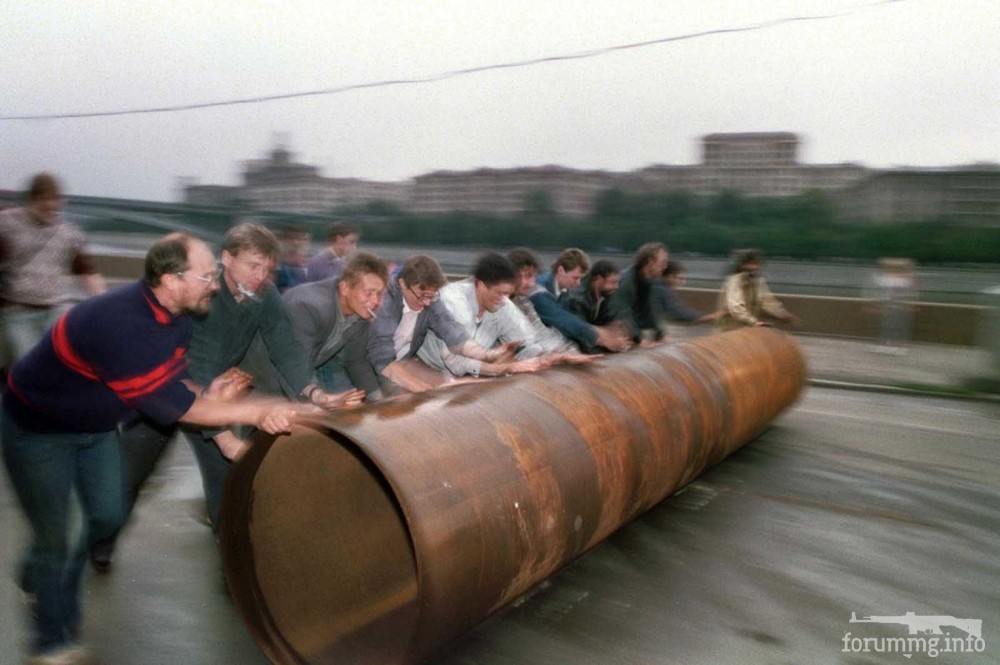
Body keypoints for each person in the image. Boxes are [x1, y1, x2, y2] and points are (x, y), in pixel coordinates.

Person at [1, 233, 301, 664]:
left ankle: (37, 573)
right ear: (171, 279)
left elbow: (173, 384)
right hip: (38, 431)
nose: (214, 284)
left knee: (107, 515)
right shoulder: (120, 325)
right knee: (56, 538)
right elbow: (178, 409)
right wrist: (257, 411)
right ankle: (52, 638)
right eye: (206, 275)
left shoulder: (179, 316)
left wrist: (210, 390)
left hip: (97, 428)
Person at [367, 254, 519, 395]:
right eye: (421, 296)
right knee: (411, 400)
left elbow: (452, 333)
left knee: (447, 390)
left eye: (431, 297)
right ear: (402, 284)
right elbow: (383, 361)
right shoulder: (385, 302)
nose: (426, 303)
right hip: (371, 366)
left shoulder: (431, 300)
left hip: (402, 362)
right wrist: (424, 391)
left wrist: (488, 354)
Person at [0, 173, 106, 366]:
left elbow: (87, 272)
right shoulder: (7, 224)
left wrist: (105, 303)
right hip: (18, 312)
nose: (50, 209)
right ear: (32, 199)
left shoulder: (67, 233)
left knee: (55, 367)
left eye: (54, 204)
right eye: (44, 203)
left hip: (53, 312)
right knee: (28, 366)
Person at [417, 252, 557, 378]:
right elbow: (455, 361)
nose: (504, 300)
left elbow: (529, 341)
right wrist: (503, 368)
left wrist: (547, 357)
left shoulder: (502, 303)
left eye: (507, 294)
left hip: (465, 373)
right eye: (499, 293)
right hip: (424, 368)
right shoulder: (453, 301)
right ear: (480, 284)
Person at [282, 252, 388, 396]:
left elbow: (356, 361)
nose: (376, 301)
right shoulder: (307, 307)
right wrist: (321, 400)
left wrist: (377, 400)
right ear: (345, 288)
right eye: (369, 293)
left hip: (305, 372)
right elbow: (297, 365)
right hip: (268, 379)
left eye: (379, 294)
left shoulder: (360, 312)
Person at [522, 249, 630, 353]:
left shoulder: (563, 290)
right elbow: (563, 320)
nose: (578, 283)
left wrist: (598, 332)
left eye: (580, 278)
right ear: (560, 270)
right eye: (575, 278)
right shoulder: (539, 292)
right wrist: (600, 337)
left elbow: (570, 319)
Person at [507, 249, 578, 354]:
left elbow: (540, 332)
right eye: (527, 276)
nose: (531, 284)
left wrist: (565, 350)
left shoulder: (523, 301)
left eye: (533, 277)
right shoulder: (498, 303)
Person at [716, 249, 798, 331]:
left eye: (756, 264)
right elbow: (736, 306)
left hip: (747, 327)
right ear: (743, 265)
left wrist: (781, 314)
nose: (755, 267)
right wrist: (752, 321)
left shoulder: (758, 282)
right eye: (751, 264)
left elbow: (768, 302)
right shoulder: (734, 281)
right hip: (730, 328)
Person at [608, 242, 672, 343]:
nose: (665, 267)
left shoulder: (650, 281)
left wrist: (660, 334)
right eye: (663, 262)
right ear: (650, 262)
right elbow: (622, 315)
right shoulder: (625, 282)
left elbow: (651, 310)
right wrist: (639, 340)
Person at [273, 225, 311, 293]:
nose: (295, 242)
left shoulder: (308, 263)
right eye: (291, 238)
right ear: (284, 240)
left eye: (298, 239)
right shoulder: (278, 265)